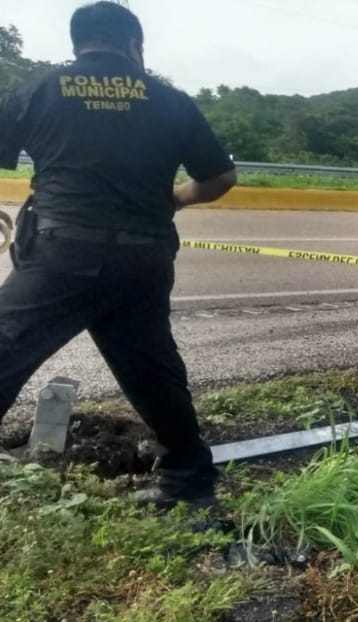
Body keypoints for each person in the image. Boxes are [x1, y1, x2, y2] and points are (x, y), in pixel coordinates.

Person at [0, 2, 237, 511]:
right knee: (154, 372)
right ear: (134, 45)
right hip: (142, 262)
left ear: (79, 43)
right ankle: (190, 488)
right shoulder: (170, 99)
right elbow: (221, 179)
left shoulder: (42, 88)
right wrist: (175, 197)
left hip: (61, 256)